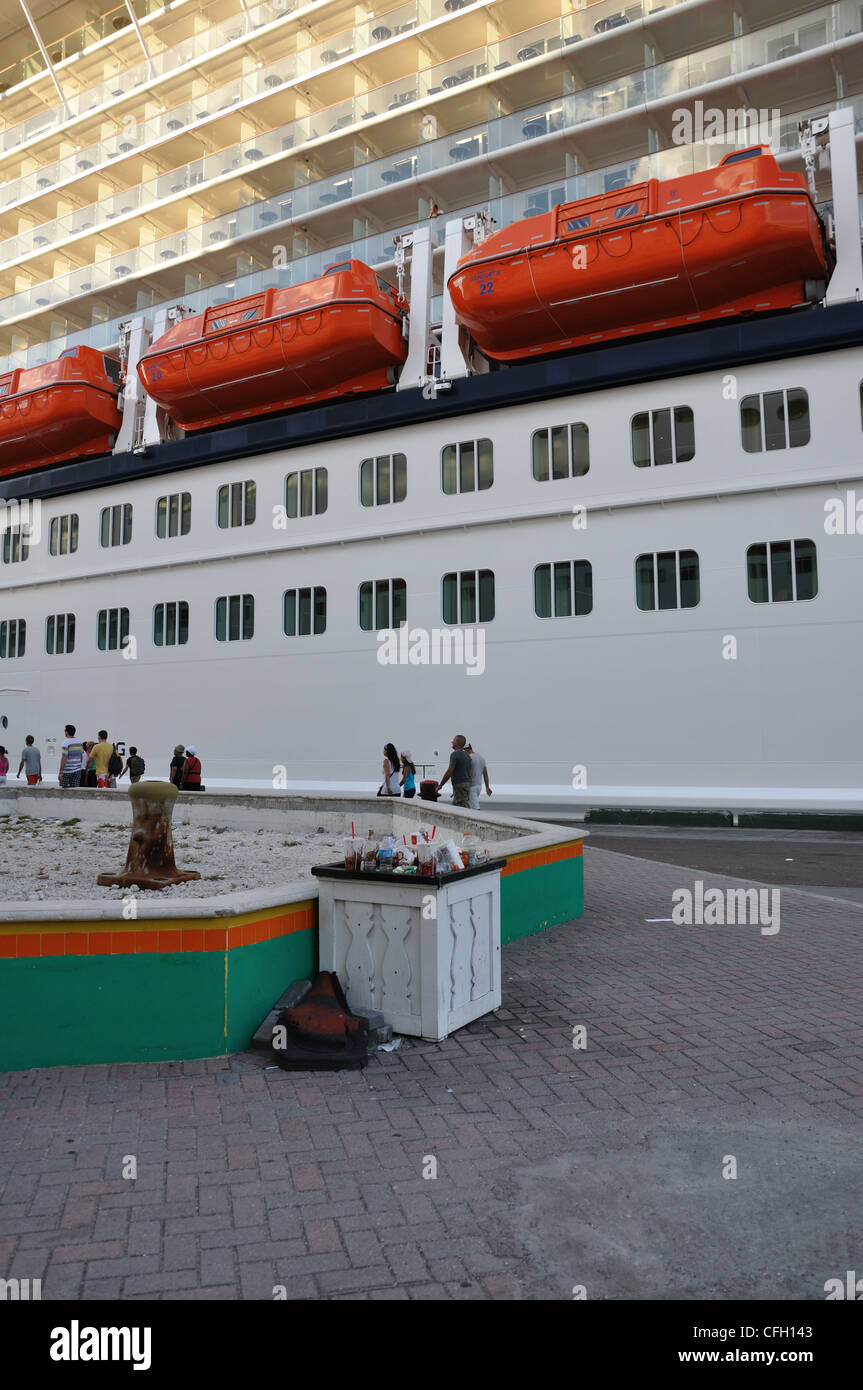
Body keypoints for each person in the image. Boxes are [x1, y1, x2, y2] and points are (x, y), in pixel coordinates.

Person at [437, 734, 472, 808]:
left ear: (457, 743)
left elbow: (450, 771)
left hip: (459, 784)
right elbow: (470, 773)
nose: (452, 742)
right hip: (466, 784)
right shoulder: (467, 755)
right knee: (462, 803)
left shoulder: (454, 754)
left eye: (453, 741)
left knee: (459, 806)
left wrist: (441, 785)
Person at [466, 741, 492, 810]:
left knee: (476, 808)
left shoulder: (469, 758)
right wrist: (487, 787)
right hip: (479, 786)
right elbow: (485, 773)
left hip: (471, 787)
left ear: (466, 749)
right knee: (472, 806)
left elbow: (470, 773)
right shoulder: (481, 757)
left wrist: (467, 787)